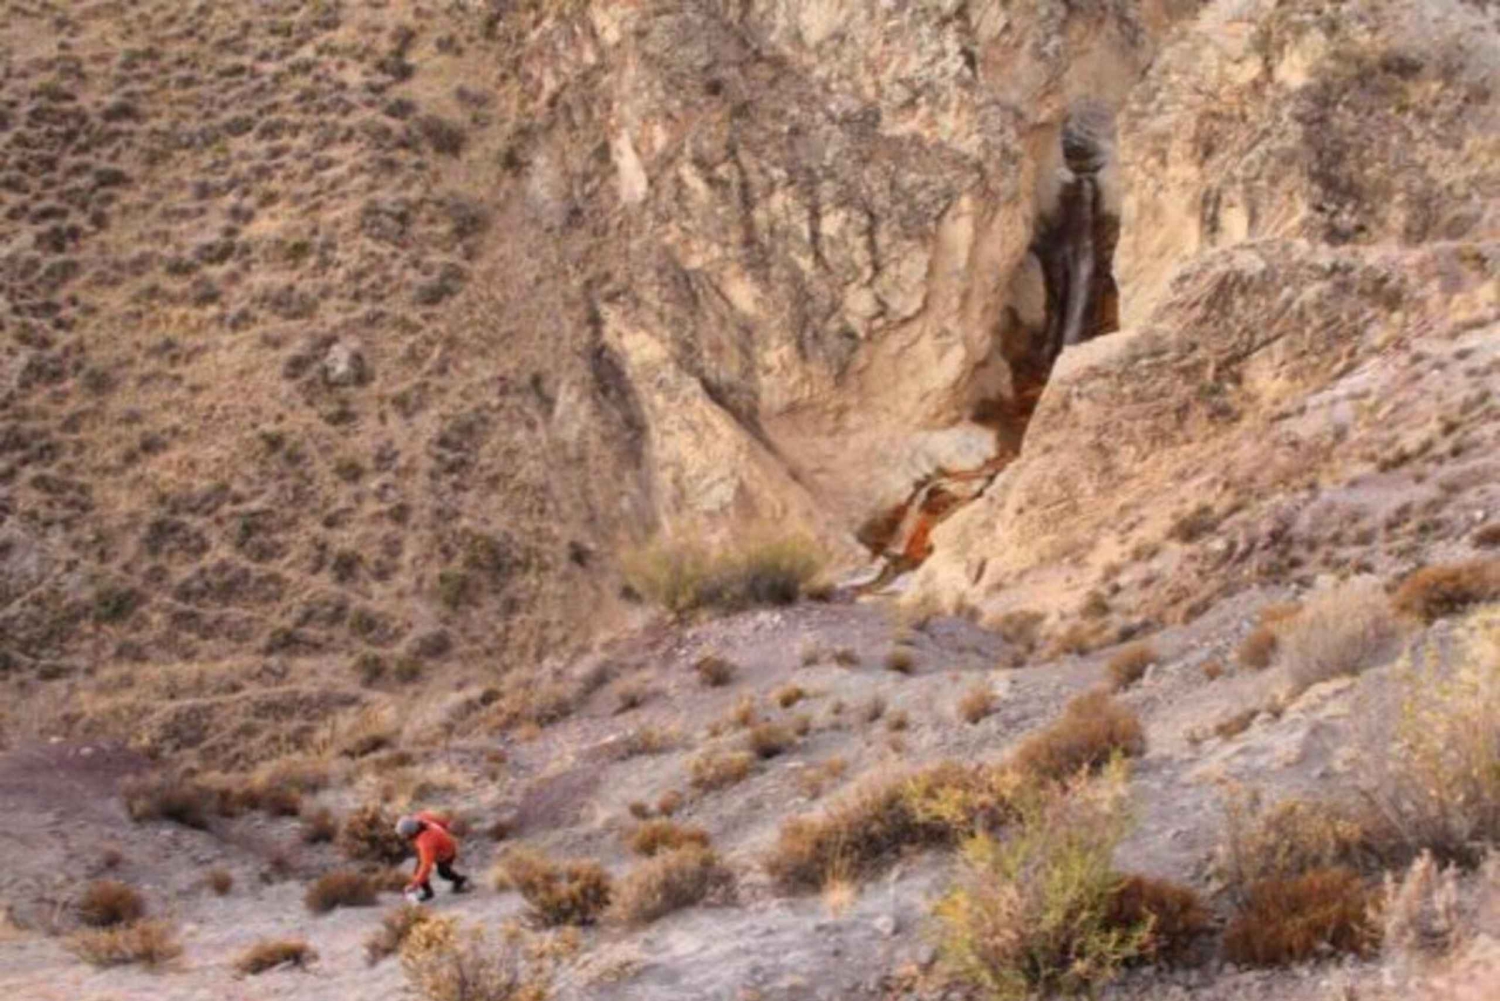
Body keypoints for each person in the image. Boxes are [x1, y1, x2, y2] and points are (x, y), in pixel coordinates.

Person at [396, 811, 469, 902]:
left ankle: (460, 880)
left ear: (411, 832)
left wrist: (414, 885)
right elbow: (440, 821)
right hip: (441, 843)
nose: (404, 837)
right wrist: (446, 827)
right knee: (417, 872)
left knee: (444, 873)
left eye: (405, 835)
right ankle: (428, 893)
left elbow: (426, 867)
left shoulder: (426, 842)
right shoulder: (420, 818)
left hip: (446, 853)